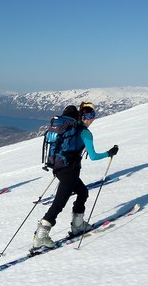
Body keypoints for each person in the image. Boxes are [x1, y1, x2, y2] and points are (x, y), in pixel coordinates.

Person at [33, 102, 119, 249]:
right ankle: (41, 236)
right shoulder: (85, 133)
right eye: (92, 118)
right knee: (59, 203)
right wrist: (109, 153)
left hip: (59, 168)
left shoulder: (71, 129)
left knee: (83, 192)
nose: (92, 121)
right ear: (87, 118)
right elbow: (93, 156)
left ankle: (78, 225)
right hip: (69, 172)